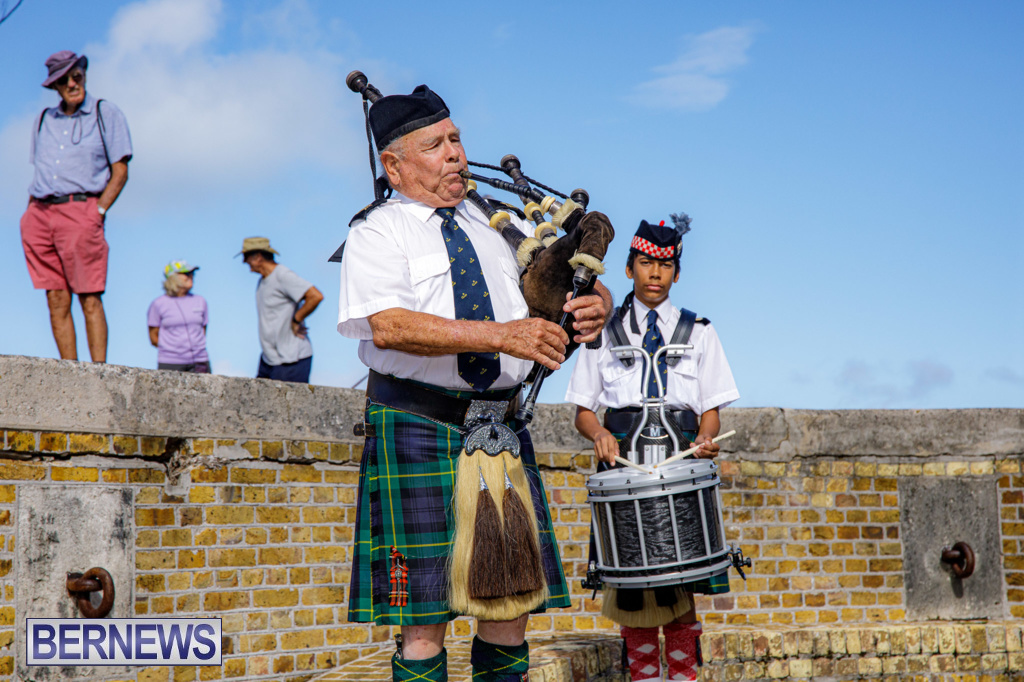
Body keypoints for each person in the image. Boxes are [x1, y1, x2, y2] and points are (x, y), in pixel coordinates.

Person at [337, 84, 612, 682]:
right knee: (422, 618)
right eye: (435, 144)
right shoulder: (378, 232)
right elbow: (390, 325)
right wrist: (501, 336)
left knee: (509, 608)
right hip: (418, 424)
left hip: (502, 426)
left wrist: (595, 305)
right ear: (395, 164)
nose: (456, 154)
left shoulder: (499, 227)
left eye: (457, 139)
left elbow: (555, 283)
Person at [565, 218, 739, 682]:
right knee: (632, 594)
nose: (655, 274)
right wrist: (597, 433)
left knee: (683, 591)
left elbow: (711, 409)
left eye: (664, 265)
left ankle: (683, 678)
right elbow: (583, 410)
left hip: (680, 475)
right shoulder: (601, 332)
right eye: (646, 264)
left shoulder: (700, 331)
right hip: (626, 477)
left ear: (676, 273)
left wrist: (706, 438)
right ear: (629, 270)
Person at [19, 50, 132, 363]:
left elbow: (120, 170)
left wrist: (98, 211)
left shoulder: (104, 112)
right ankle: (70, 373)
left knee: (89, 296)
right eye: (63, 79)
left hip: (82, 210)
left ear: (83, 72)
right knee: (55, 298)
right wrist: (29, 215)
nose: (72, 83)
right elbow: (39, 172)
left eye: (76, 74)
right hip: (39, 214)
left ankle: (98, 374)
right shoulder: (43, 120)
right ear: (54, 86)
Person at [239, 237, 323, 383]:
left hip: (291, 359)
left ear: (258, 257)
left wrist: (296, 319)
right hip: (269, 358)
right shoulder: (263, 281)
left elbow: (315, 296)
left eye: (246, 257)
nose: (244, 262)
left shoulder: (282, 275)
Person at [147, 260, 210, 373]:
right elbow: (153, 336)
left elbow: (203, 331)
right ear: (172, 277)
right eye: (186, 274)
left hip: (200, 361)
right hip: (169, 362)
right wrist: (173, 350)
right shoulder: (158, 304)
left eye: (192, 273)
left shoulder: (200, 301)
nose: (191, 276)